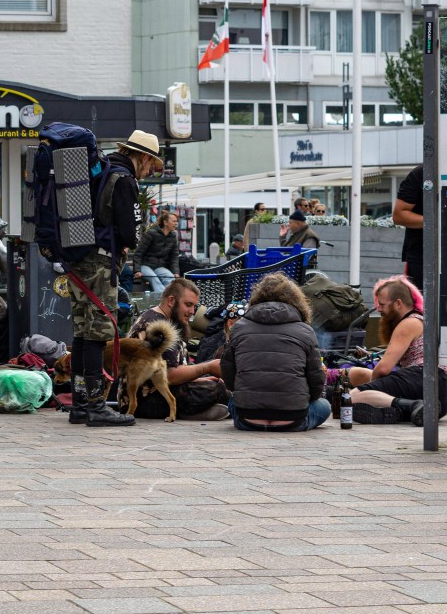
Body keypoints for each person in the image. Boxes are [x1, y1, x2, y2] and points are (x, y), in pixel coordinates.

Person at [65, 129, 160, 428]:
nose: (148, 172)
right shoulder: (124, 180)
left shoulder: (101, 169)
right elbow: (130, 232)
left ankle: (80, 404)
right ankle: (95, 406)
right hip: (100, 262)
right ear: (143, 157)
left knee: (82, 332)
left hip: (77, 259)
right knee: (98, 332)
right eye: (150, 166)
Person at [222, 273, 329, 432]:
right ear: (296, 300)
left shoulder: (238, 328)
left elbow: (228, 378)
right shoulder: (306, 331)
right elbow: (316, 381)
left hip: (247, 418)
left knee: (233, 401)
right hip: (293, 418)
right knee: (325, 406)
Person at [348, 276, 447, 426]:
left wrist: (371, 388)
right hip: (442, 393)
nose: (378, 309)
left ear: (398, 303)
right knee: (363, 381)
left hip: (424, 377)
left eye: (382, 304)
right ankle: (405, 408)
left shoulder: (408, 323)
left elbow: (383, 369)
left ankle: (412, 405)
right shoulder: (423, 320)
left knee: (349, 399)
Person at [124, 277, 229, 421]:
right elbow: (170, 376)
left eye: (194, 306)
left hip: (162, 392)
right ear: (171, 301)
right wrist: (208, 367)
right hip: (145, 399)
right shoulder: (158, 325)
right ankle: (188, 412)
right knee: (218, 389)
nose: (192, 311)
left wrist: (199, 378)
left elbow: (179, 369)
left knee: (217, 382)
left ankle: (197, 411)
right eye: (188, 305)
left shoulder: (167, 319)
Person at [393, 164, 424, 290]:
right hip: (422, 256)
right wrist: (438, 223)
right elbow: (399, 215)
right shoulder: (421, 173)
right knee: (422, 305)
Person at [133, 210, 180, 292]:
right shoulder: (151, 234)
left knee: (171, 279)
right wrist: (137, 270)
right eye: (174, 221)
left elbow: (174, 256)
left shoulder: (173, 236)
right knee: (154, 279)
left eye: (176, 221)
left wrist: (175, 272)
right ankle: (160, 299)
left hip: (160, 267)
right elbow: (138, 253)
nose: (176, 223)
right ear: (165, 222)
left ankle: (167, 299)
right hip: (145, 266)